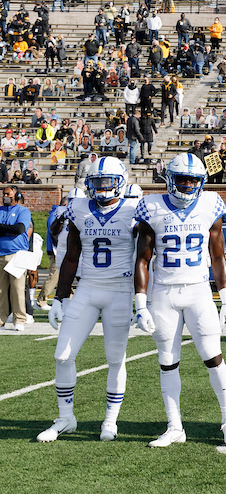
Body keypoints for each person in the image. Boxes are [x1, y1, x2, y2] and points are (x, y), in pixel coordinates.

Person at [133, 153, 226, 447]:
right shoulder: (151, 206)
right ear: (170, 179)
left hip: (197, 291)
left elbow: (217, 256)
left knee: (213, 357)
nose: (189, 185)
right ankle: (175, 426)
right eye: (183, 179)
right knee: (167, 362)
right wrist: (140, 304)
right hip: (164, 294)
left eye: (194, 180)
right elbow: (142, 259)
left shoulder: (210, 204)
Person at [37, 158, 136, 442]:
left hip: (119, 289)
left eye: (109, 182)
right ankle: (66, 418)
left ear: (121, 181)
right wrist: (59, 297)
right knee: (62, 354)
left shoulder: (133, 210)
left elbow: (145, 258)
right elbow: (71, 256)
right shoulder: (79, 208)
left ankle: (110, 421)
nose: (103, 188)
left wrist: (143, 300)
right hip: (88, 288)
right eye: (98, 182)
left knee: (115, 359)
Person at [0, 183, 33, 330]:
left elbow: (19, 229)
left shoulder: (23, 211)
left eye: (8, 194)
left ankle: (19, 319)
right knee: (0, 290)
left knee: (17, 289)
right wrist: (9, 230)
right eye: (4, 194)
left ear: (17, 196)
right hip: (0, 254)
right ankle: (1, 319)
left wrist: (2, 228)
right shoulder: (0, 210)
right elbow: (12, 229)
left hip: (17, 254)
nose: (5, 197)